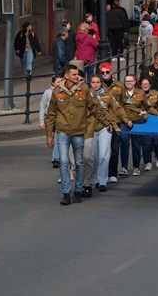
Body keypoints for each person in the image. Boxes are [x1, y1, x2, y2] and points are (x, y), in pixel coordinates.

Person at [44, 64, 111, 205]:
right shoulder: (57, 91)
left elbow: (95, 108)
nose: (77, 77)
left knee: (80, 162)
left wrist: (106, 123)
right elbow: (50, 115)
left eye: (77, 74)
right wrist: (49, 135)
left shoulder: (84, 89)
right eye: (74, 74)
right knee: (63, 161)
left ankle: (78, 190)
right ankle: (66, 193)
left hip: (79, 132)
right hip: (63, 131)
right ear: (66, 76)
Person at [115, 74, 149, 176]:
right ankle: (124, 167)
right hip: (125, 122)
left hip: (137, 121)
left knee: (136, 144)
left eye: (131, 81)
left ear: (135, 82)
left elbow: (147, 107)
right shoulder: (121, 93)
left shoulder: (141, 93)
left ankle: (136, 167)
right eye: (126, 81)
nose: (128, 83)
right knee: (124, 143)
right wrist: (126, 120)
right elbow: (119, 108)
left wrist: (147, 116)